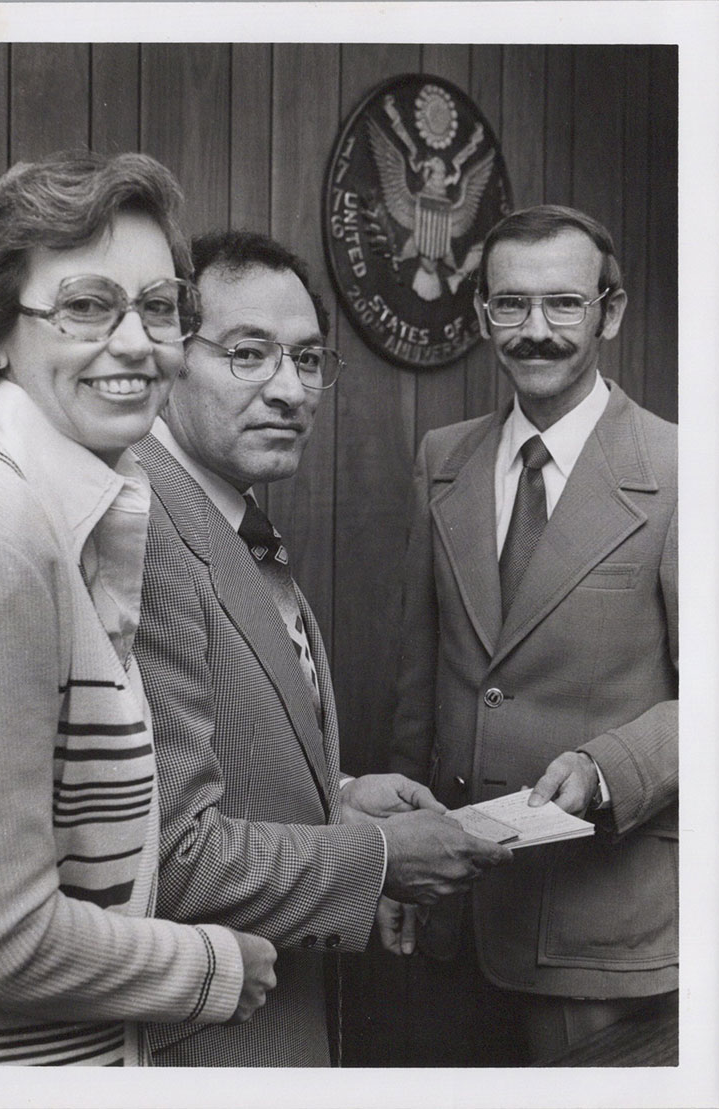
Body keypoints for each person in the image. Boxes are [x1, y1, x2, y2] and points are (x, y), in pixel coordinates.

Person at [132, 229, 512, 1067]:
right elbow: (169, 857)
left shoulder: (230, 516)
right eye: (249, 354)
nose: (289, 389)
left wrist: (335, 794)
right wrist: (378, 856)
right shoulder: (148, 529)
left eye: (308, 360)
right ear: (168, 357)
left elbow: (215, 753)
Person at [0, 153, 278, 1067]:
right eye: (87, 306)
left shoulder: (82, 511)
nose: (137, 342)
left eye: (159, 307)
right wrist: (215, 963)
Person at [391, 204, 678, 1065]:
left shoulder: (682, 471)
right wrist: (395, 858)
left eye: (565, 304)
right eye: (512, 306)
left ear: (611, 313)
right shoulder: (444, 456)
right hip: (455, 913)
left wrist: (605, 769)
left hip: (602, 933)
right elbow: (420, 679)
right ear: (483, 317)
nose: (537, 330)